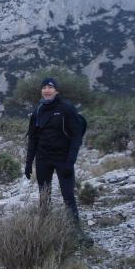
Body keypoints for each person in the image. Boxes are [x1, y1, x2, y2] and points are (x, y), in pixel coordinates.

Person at [25, 77, 93, 246]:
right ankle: (44, 228)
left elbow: (76, 137)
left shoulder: (66, 109)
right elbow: (33, 138)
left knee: (68, 195)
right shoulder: (38, 110)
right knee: (44, 194)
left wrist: (70, 162)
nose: (46, 90)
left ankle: (76, 231)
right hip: (43, 158)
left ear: (57, 91)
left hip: (63, 159)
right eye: (44, 87)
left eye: (50, 87)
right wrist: (28, 163)